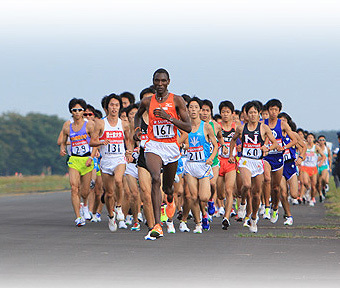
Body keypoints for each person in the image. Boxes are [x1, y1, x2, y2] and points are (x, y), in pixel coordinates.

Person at [134, 68, 191, 239]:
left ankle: (170, 199)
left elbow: (187, 127)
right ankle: (157, 225)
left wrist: (169, 117)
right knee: (155, 178)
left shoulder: (177, 100)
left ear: (168, 81)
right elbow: (137, 116)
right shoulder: (146, 101)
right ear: (153, 81)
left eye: (163, 81)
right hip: (153, 145)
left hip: (171, 146)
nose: (160, 84)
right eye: (157, 81)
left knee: (167, 187)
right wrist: (137, 129)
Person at [229, 101, 279, 233]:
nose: (252, 115)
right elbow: (233, 140)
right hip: (245, 160)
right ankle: (243, 203)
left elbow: (275, 144)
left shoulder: (264, 128)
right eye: (250, 112)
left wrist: (266, 148)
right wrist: (231, 154)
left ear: (259, 115)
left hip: (258, 162)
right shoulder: (241, 128)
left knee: (257, 194)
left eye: (255, 113)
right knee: (246, 185)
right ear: (246, 114)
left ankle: (254, 217)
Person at [90, 94, 133, 232]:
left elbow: (128, 141)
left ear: (120, 107)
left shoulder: (124, 124)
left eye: (116, 105)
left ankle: (119, 207)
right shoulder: (101, 123)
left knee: (119, 181)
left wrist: (129, 152)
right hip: (106, 160)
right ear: (107, 107)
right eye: (111, 105)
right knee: (108, 193)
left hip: (119, 158)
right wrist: (102, 142)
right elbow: (92, 141)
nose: (114, 108)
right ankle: (110, 216)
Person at [59, 98, 97, 227]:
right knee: (74, 188)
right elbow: (63, 139)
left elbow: (95, 143)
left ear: (83, 111)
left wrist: (91, 157)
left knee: (85, 191)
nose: (77, 112)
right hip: (74, 159)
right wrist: (62, 148)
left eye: (79, 110)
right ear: (71, 111)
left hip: (86, 159)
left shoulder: (89, 125)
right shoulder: (67, 125)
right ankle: (78, 217)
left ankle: (85, 205)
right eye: (74, 110)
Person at [183, 97, 218, 233]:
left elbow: (215, 146)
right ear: (187, 110)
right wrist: (184, 146)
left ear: (200, 110)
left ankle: (205, 210)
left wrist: (211, 158)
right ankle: (198, 223)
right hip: (190, 165)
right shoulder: (185, 127)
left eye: (196, 107)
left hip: (203, 166)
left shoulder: (207, 126)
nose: (193, 110)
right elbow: (183, 142)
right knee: (192, 196)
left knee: (203, 197)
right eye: (190, 107)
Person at [262, 99, 297, 223]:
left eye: (276, 110)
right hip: (266, 157)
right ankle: (266, 207)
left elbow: (294, 140)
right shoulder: (263, 123)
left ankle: (275, 208)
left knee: (276, 188)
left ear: (279, 111)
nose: (273, 112)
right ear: (268, 110)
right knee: (266, 179)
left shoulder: (282, 124)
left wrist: (284, 147)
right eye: (271, 109)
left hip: (278, 158)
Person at [216, 100, 238, 230]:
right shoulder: (216, 126)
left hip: (231, 162)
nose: (225, 114)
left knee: (229, 190)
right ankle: (220, 205)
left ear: (232, 114)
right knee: (220, 194)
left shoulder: (237, 127)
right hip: (218, 162)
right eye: (223, 112)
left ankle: (226, 217)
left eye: (227, 112)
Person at [299, 133, 326, 206]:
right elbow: (300, 154)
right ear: (307, 138)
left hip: (313, 168)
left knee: (314, 186)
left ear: (314, 139)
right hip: (305, 167)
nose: (310, 139)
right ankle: (308, 189)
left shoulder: (316, 147)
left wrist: (320, 163)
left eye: (311, 137)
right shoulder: (304, 147)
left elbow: (323, 156)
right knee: (305, 182)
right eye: (308, 137)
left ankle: (312, 198)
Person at [317, 135, 332, 201]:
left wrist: (330, 166)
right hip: (317, 166)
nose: (322, 141)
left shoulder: (327, 148)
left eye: (323, 140)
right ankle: (320, 194)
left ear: (325, 141)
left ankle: (324, 186)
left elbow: (329, 157)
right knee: (318, 182)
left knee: (325, 179)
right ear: (318, 141)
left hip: (325, 166)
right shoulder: (316, 148)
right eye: (320, 140)